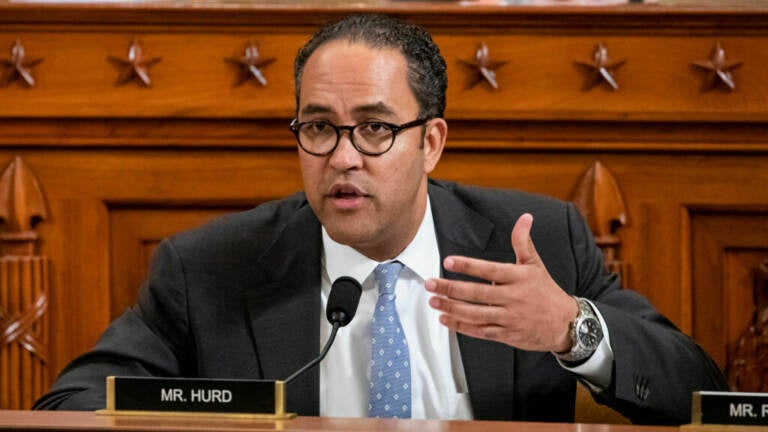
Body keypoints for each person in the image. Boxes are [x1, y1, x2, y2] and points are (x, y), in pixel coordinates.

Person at [34, 14, 728, 424]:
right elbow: (74, 403)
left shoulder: (535, 242)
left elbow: (702, 392)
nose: (341, 158)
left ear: (430, 142)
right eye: (317, 127)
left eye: (373, 129)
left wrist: (570, 329)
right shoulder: (211, 266)